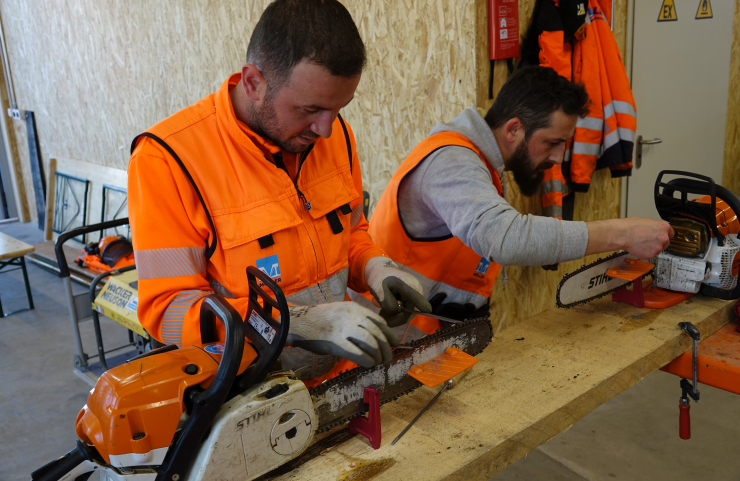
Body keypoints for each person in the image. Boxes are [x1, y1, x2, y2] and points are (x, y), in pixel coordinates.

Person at [127, 0, 431, 385]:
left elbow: (350, 233)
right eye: (309, 109)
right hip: (245, 399)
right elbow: (167, 312)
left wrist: (374, 266)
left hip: (336, 382)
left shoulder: (335, 134)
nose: (325, 128)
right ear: (253, 82)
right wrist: (299, 323)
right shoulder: (168, 161)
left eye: (339, 108)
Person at [360, 66, 673, 338]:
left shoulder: (485, 163)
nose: (557, 158)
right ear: (513, 129)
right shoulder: (451, 161)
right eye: (552, 143)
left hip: (427, 342)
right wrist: (624, 234)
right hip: (386, 347)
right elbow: (505, 237)